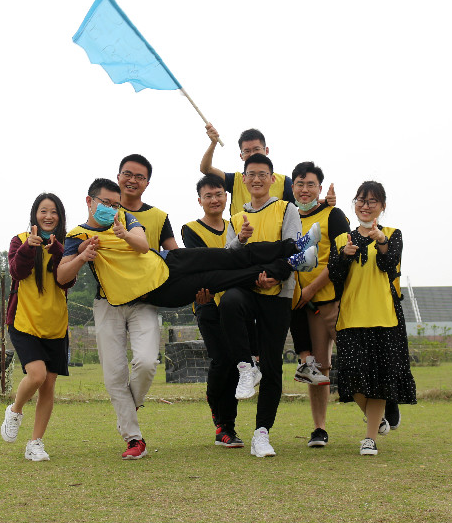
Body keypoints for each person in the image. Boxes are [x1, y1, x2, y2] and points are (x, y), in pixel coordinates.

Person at [58, 178, 318, 459]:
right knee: (223, 277)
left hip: (168, 263)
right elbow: (63, 275)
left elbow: (144, 245)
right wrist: (83, 256)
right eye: (105, 204)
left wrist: (122, 232)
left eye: (114, 204)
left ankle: (292, 251)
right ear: (90, 201)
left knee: (226, 257)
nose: (110, 208)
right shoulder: (77, 236)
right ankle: (133, 433)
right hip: (155, 293)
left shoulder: (124, 218)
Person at [218, 153, 318, 457]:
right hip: (248, 288)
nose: (257, 179)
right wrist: (241, 240)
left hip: (279, 292)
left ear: (273, 179)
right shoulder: (236, 219)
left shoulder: (286, 208)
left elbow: (291, 251)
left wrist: (273, 277)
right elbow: (229, 258)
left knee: (273, 365)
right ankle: (246, 366)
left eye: (263, 174)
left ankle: (262, 433)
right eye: (251, 174)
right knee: (230, 301)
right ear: (244, 180)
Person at [328, 181, 416, 456]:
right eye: (361, 201)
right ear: (354, 204)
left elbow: (390, 266)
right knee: (353, 379)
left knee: (377, 380)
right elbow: (334, 276)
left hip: (384, 317)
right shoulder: (343, 239)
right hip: (350, 318)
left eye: (372, 202)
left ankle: (369, 439)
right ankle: (378, 418)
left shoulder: (393, 234)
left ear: (382, 206)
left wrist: (380, 241)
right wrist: (344, 256)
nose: (366, 206)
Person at [0, 193, 76, 461]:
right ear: (35, 215)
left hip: (56, 325)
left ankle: (35, 443)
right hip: (24, 321)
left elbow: (66, 281)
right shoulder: (19, 240)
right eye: (43, 211)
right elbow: (16, 272)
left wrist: (56, 249)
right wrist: (28, 248)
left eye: (53, 212)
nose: (48, 216)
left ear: (60, 216)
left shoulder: (67, 245)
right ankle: (15, 410)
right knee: (37, 375)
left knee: (49, 385)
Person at [181, 173, 253, 448]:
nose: (214, 199)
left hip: (237, 303)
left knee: (238, 363)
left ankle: (228, 427)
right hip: (207, 302)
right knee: (221, 360)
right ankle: (220, 422)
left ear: (227, 197)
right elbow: (204, 265)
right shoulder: (190, 229)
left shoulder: (238, 224)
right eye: (208, 195)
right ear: (200, 200)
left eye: (219, 194)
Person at [287, 162, 350, 448]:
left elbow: (339, 258)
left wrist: (312, 288)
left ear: (320, 188)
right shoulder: (286, 216)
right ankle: (319, 428)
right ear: (292, 187)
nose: (304, 189)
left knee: (356, 359)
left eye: (311, 184)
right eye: (299, 183)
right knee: (318, 367)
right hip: (307, 307)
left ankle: (381, 412)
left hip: (337, 301)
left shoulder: (333, 214)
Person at [200, 124, 335, 216]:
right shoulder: (235, 180)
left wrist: (325, 201)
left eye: (256, 149)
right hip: (241, 246)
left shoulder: (283, 182)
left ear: (266, 150)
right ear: (241, 156)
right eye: (247, 151)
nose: (252, 154)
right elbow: (206, 169)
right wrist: (213, 143)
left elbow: (302, 203)